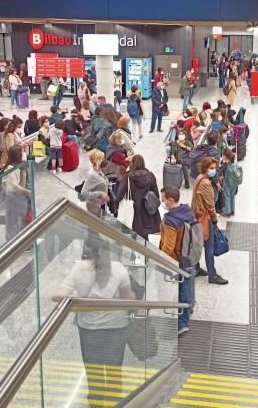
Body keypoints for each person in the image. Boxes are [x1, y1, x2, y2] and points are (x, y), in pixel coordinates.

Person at [52, 238, 134, 391]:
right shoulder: (118, 268)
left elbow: (57, 296)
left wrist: (82, 298)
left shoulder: (78, 268)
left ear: (86, 251)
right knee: (114, 369)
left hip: (89, 330)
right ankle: (114, 400)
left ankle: (95, 399)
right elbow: (127, 299)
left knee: (93, 370)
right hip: (116, 327)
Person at [160, 185, 196, 335]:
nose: (162, 203)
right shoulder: (187, 211)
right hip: (189, 256)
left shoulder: (171, 220)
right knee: (187, 285)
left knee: (180, 289)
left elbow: (168, 247)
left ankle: (182, 323)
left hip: (177, 260)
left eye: (163, 200)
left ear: (170, 200)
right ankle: (189, 310)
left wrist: (162, 261)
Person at [191, 157, 228, 285]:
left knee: (197, 243)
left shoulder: (199, 177)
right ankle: (212, 275)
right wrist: (214, 219)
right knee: (209, 247)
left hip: (196, 215)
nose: (214, 170)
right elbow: (210, 204)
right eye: (211, 168)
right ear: (205, 168)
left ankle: (196, 268)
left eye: (215, 168)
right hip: (205, 218)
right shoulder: (206, 183)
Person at [116, 154, 161, 239]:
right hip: (146, 212)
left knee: (133, 237)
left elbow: (119, 196)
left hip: (132, 212)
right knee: (144, 237)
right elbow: (156, 195)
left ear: (132, 163)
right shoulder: (150, 176)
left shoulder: (128, 177)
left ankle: (133, 252)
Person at [2, 146, 31, 240]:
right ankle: (13, 241)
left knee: (22, 218)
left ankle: (22, 239)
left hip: (20, 197)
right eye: (22, 152)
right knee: (13, 220)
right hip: (13, 197)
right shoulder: (11, 169)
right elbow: (13, 186)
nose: (24, 154)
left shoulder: (21, 166)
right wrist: (27, 191)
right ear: (18, 155)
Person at [78, 149, 110, 218]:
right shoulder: (92, 174)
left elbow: (98, 181)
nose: (104, 160)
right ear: (97, 160)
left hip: (100, 203)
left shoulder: (98, 170)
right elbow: (84, 193)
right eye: (102, 158)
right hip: (93, 206)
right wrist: (101, 194)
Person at [219, 148, 241, 217]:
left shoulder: (225, 164)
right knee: (232, 196)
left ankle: (227, 212)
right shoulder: (234, 162)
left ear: (225, 156)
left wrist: (221, 163)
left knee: (227, 197)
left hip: (227, 183)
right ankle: (232, 211)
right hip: (234, 182)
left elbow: (219, 171)